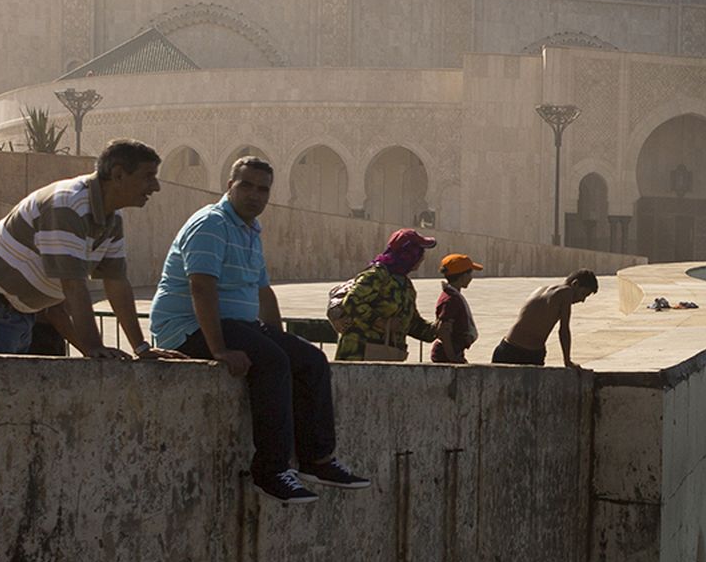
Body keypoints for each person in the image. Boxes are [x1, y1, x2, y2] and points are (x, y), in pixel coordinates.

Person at [148, 156, 370, 504]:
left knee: (310, 360)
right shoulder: (211, 224)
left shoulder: (250, 230)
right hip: (189, 328)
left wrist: (280, 338)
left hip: (236, 325)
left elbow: (263, 292)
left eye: (262, 189)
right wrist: (219, 349)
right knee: (272, 362)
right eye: (246, 185)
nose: (254, 194)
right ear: (229, 186)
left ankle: (317, 460)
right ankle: (271, 469)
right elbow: (201, 287)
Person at [0, 138, 162, 358]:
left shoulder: (112, 217)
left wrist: (141, 348)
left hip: (21, 311)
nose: (156, 187)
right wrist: (94, 347)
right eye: (148, 177)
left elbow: (116, 282)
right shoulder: (67, 205)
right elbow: (73, 286)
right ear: (118, 175)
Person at [333, 228, 442, 361]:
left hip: (386, 356)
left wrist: (436, 330)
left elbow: (410, 322)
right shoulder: (377, 276)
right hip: (359, 355)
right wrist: (380, 322)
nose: (422, 258)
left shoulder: (405, 285)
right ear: (409, 254)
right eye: (420, 252)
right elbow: (351, 302)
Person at [491, 271, 597, 367]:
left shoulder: (542, 289)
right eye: (583, 294)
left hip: (507, 348)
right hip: (521, 353)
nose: (582, 300)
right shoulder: (566, 292)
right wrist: (567, 360)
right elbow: (564, 330)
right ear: (575, 284)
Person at [431, 252, 482, 364]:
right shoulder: (450, 300)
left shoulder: (453, 296)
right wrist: (452, 357)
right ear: (463, 276)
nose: (471, 278)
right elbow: (444, 331)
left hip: (454, 351)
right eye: (470, 274)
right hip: (446, 356)